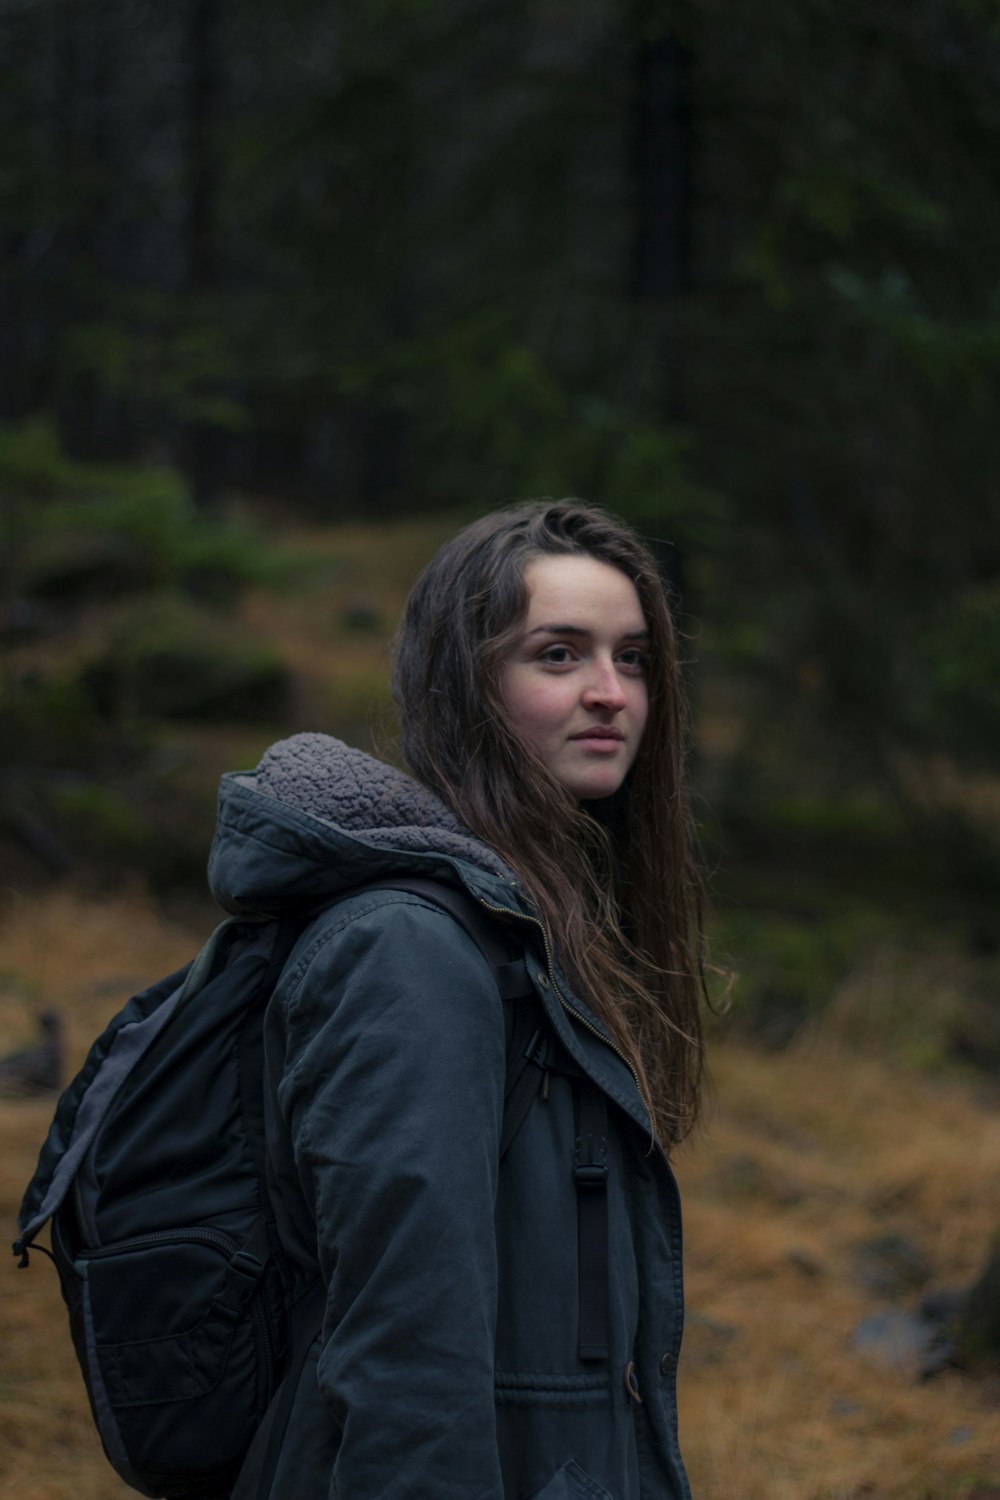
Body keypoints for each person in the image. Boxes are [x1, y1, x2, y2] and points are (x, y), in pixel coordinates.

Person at [210, 499, 707, 1500]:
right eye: (558, 656)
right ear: (464, 684)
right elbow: (405, 1349)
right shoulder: (411, 953)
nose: (611, 693)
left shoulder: (532, 932)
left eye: (633, 658)